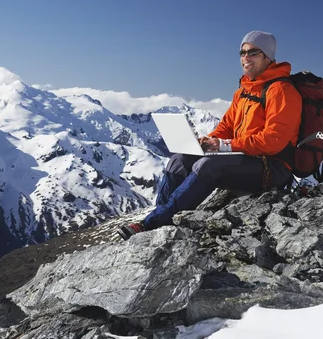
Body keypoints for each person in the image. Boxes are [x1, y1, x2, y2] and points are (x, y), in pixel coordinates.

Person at [118, 31, 302, 240]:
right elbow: (227, 126)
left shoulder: (282, 91)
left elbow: (274, 141)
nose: (245, 58)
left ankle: (152, 224)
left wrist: (225, 146)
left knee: (207, 166)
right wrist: (208, 142)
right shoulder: (243, 91)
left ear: (267, 56)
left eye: (252, 52)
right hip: (245, 157)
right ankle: (162, 217)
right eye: (242, 52)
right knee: (178, 160)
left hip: (271, 167)